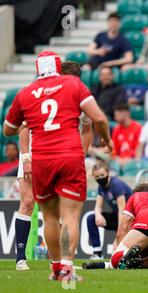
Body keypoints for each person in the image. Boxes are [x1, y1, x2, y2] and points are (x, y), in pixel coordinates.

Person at [3, 51, 113, 281]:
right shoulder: (74, 90)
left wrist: (80, 155)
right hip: (47, 156)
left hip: (44, 158)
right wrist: (25, 157)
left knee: (50, 216)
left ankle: (57, 268)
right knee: (51, 210)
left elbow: (10, 128)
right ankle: (48, 263)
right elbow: (100, 120)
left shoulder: (28, 94)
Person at [13, 60, 93, 272]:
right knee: (28, 202)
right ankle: (20, 258)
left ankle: (57, 261)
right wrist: (25, 158)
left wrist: (80, 156)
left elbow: (87, 129)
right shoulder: (41, 93)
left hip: (62, 158)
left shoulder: (80, 96)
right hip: (35, 154)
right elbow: (23, 128)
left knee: (59, 211)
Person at [86, 162, 133, 259]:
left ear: (108, 173)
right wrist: (98, 214)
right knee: (91, 218)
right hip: (118, 217)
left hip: (130, 219)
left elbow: (122, 211)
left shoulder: (116, 185)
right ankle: (98, 253)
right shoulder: (101, 187)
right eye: (97, 176)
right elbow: (98, 206)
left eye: (102, 175)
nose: (100, 178)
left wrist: (118, 236)